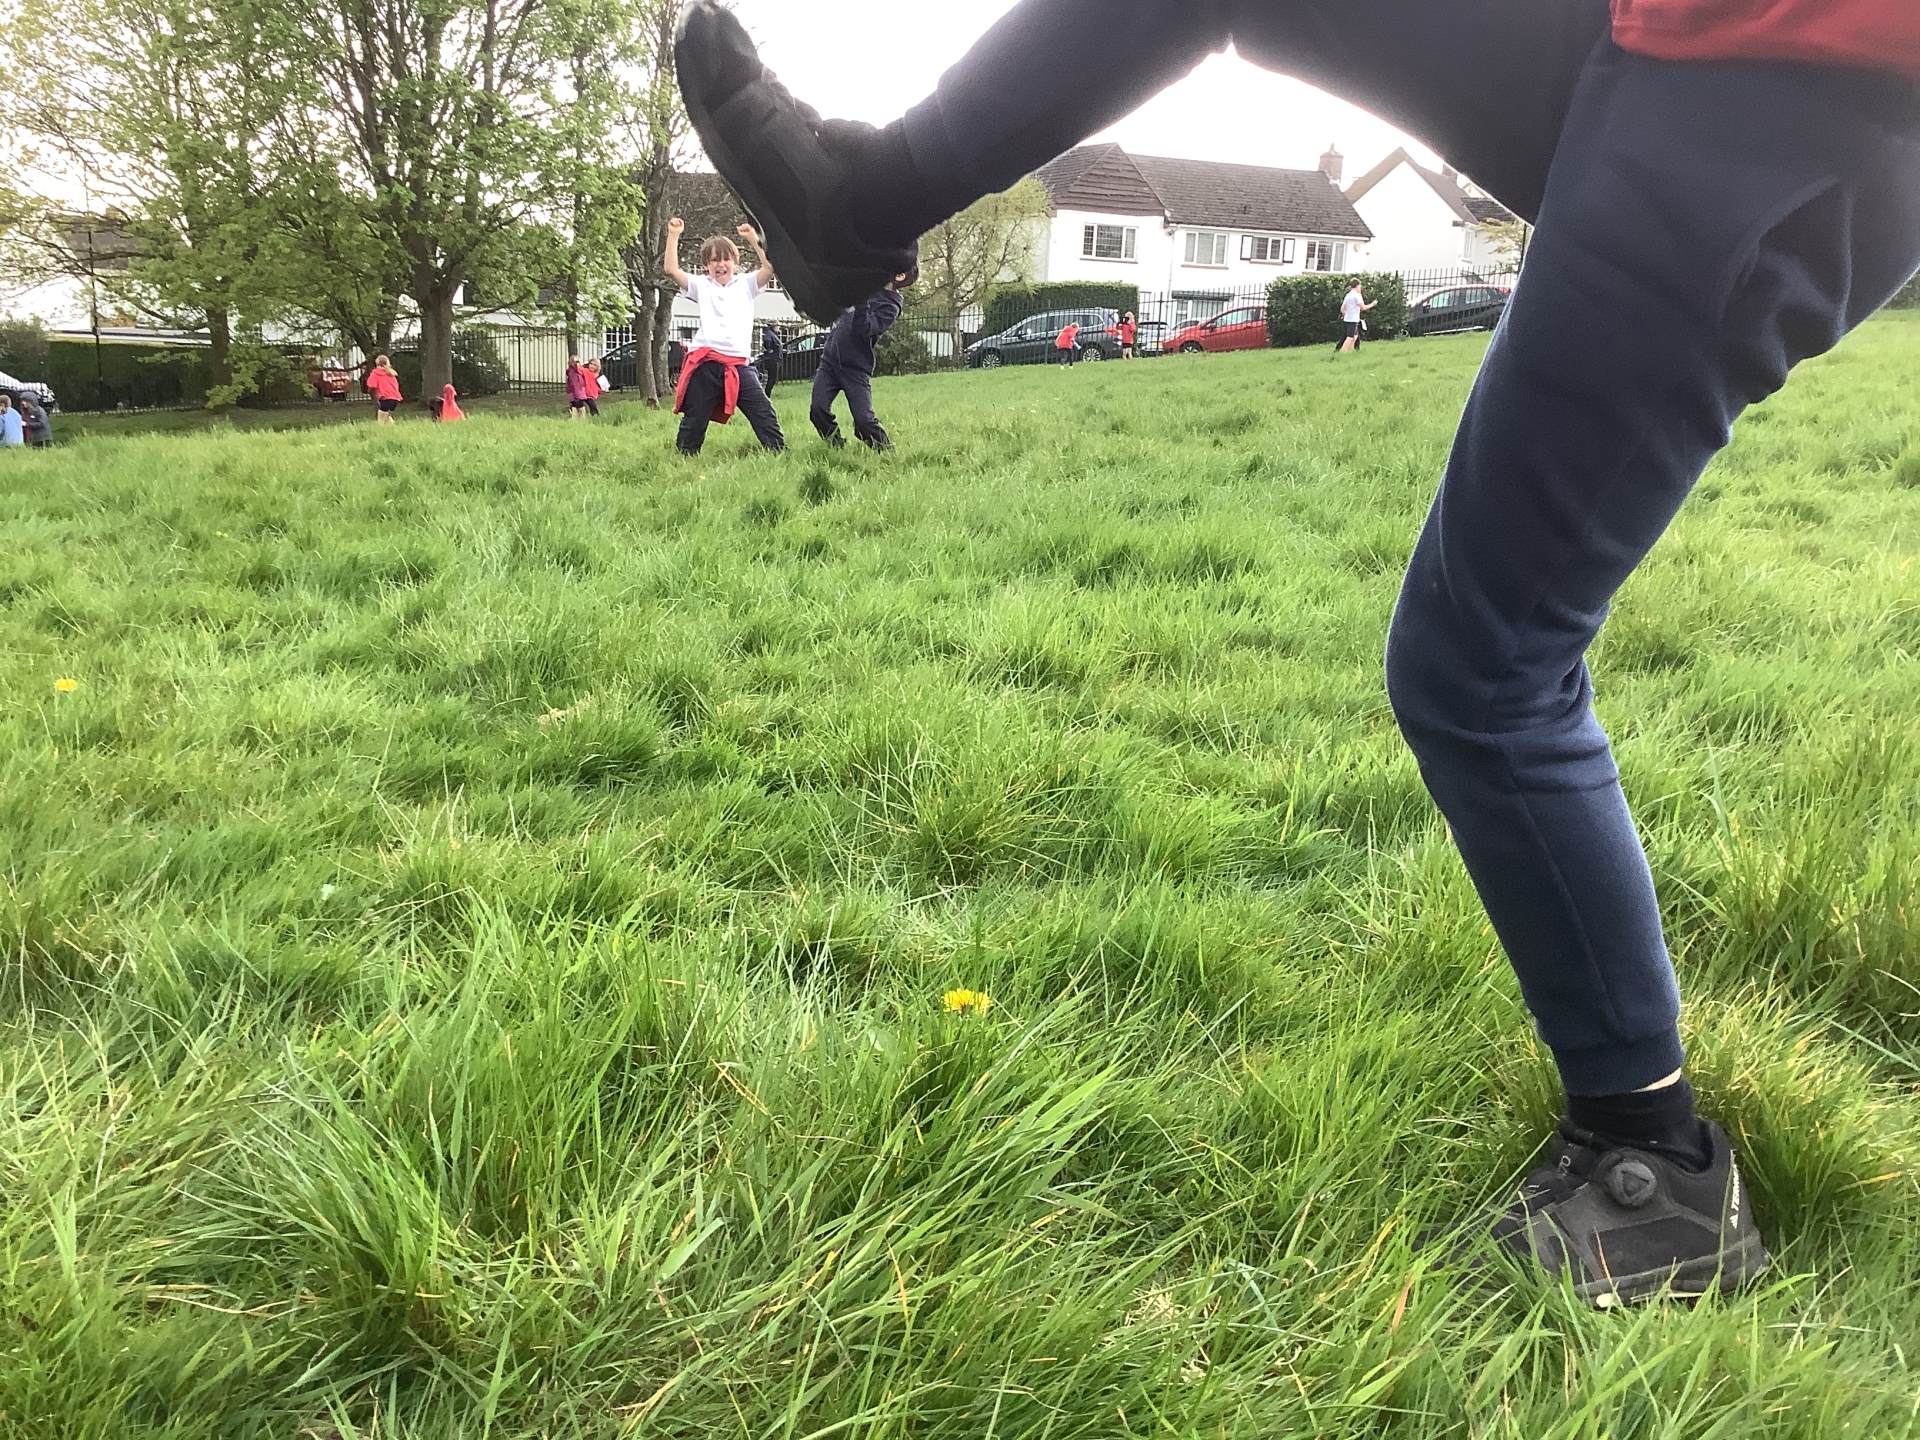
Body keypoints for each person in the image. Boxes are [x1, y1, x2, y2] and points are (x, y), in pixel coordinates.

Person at [676, 0, 1920, 1307]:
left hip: (1785, 107)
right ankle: (860, 201)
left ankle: (1650, 1166)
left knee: (1483, 665)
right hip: (1665, 40)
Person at [664, 215, 786, 456]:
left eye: (726, 259)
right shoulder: (701, 285)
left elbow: (770, 267)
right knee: (695, 417)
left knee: (763, 411)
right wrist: (673, 235)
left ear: (734, 262)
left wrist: (753, 238)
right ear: (706, 265)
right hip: (707, 363)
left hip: (739, 365)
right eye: (714, 260)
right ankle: (685, 457)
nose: (720, 265)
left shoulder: (746, 284)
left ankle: (778, 452)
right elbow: (671, 269)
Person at [810, 268, 916, 450]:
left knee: (864, 420)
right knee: (817, 410)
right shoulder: (867, 286)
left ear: (899, 276)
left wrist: (862, 300)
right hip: (830, 362)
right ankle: (836, 446)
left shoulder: (890, 307)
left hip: (855, 368)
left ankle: (886, 450)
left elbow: (864, 330)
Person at [1338, 281, 1377, 353]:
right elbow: (1363, 307)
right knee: (1350, 337)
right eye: (1360, 286)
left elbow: (1342, 308)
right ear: (1357, 286)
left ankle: (1350, 352)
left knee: (1355, 336)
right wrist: (1372, 304)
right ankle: (1342, 352)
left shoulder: (1348, 295)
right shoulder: (1357, 295)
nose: (1360, 288)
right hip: (1353, 320)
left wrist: (1344, 315)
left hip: (1347, 319)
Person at [364, 355, 402, 424]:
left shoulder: (375, 373)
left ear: (377, 363)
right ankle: (394, 427)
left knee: (381, 419)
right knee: (387, 417)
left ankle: (380, 429)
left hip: (385, 398)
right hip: (395, 398)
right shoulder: (391, 373)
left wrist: (370, 390)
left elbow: (371, 385)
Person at [757, 322, 788, 391]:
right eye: (778, 326)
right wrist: (769, 349)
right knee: (772, 378)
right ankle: (767, 393)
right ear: (774, 327)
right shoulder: (770, 334)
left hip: (775, 359)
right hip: (772, 359)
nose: (779, 328)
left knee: (773, 378)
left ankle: (767, 392)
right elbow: (767, 341)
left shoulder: (773, 334)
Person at [566, 355, 594, 419]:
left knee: (577, 407)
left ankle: (578, 419)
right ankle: (580, 420)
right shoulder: (573, 372)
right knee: (579, 407)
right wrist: (577, 395)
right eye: (575, 362)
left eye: (578, 361)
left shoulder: (579, 371)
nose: (577, 363)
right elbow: (573, 385)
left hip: (579, 393)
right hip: (576, 394)